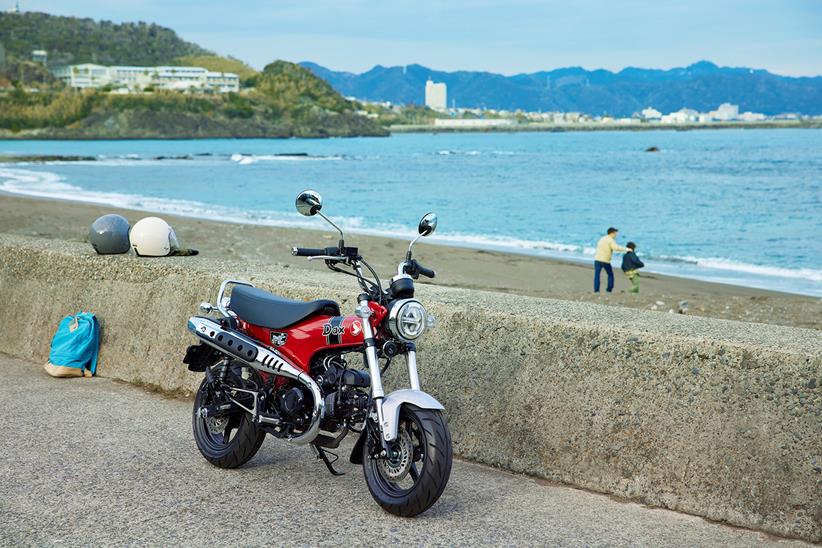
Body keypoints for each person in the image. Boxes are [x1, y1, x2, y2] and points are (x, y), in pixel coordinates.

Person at [594, 227, 629, 293]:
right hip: (605, 260)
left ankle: (596, 290)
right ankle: (609, 289)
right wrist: (626, 249)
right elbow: (615, 248)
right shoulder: (611, 240)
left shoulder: (602, 238)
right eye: (615, 233)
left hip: (597, 259)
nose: (616, 235)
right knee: (610, 275)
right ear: (612, 233)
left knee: (597, 275)